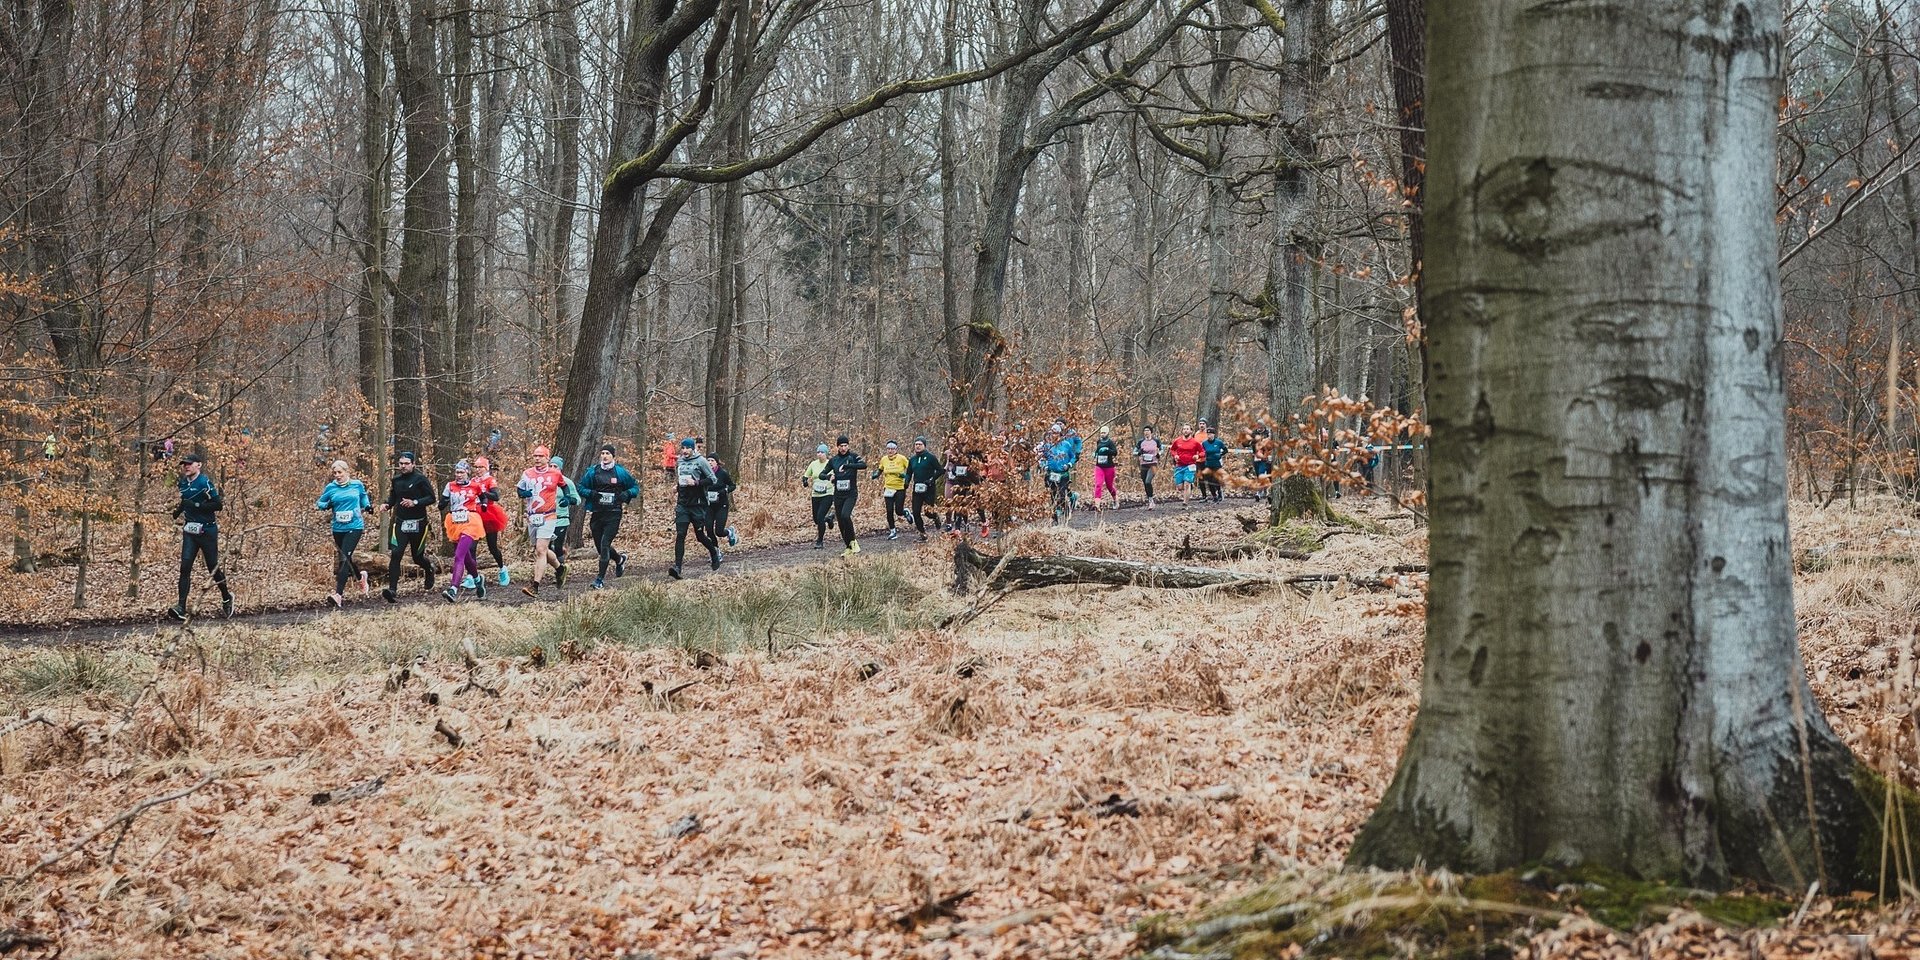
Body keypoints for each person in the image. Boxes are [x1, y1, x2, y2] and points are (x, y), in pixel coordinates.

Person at [168, 454, 233, 620]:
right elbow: (185, 500)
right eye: (184, 464)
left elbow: (218, 505)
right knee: (185, 566)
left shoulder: (204, 483)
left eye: (189, 464)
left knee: (212, 567)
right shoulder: (182, 483)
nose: (186, 467)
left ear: (199, 465)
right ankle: (181, 607)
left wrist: (197, 505)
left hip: (207, 530)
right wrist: (178, 510)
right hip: (190, 530)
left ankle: (226, 596)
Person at [378, 451, 438, 604]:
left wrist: (415, 502)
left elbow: (431, 498)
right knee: (396, 554)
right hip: (401, 523)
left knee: (417, 557)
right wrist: (387, 504)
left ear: (413, 464)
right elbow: (394, 497)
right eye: (401, 464)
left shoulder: (420, 479)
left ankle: (429, 568)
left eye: (406, 464)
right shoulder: (396, 480)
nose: (403, 466)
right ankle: (392, 590)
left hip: (418, 523)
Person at [578, 444, 639, 589]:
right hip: (598, 514)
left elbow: (635, 487)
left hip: (614, 514)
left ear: (613, 456)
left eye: (607, 453)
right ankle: (619, 559)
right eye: (602, 453)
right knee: (600, 548)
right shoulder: (593, 472)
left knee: (605, 544)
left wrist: (627, 494)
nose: (604, 456)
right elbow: (581, 487)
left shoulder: (620, 472)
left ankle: (599, 580)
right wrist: (591, 494)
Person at [315, 459, 373, 609]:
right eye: (334, 473)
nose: (337, 475)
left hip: (355, 526)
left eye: (340, 472)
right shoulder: (331, 487)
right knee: (345, 557)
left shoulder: (356, 484)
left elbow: (363, 496)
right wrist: (327, 505)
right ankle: (361, 577)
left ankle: (338, 595)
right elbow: (320, 503)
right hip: (338, 528)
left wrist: (367, 506)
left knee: (344, 559)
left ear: (347, 472)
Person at [516, 445, 568, 596]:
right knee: (541, 550)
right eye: (535, 456)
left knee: (540, 550)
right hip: (533, 516)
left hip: (549, 515)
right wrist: (523, 493)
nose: (537, 459)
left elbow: (564, 487)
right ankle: (560, 568)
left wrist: (567, 497)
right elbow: (519, 490)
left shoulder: (555, 473)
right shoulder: (527, 474)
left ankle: (535, 586)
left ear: (547, 458)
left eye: (540, 456)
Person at [669, 437, 722, 578]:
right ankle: (677, 568)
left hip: (698, 504)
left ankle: (713, 552)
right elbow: (681, 479)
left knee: (700, 536)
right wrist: (677, 487)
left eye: (688, 448)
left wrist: (696, 482)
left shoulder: (701, 461)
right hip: (683, 504)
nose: (685, 451)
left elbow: (713, 479)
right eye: (683, 448)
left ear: (693, 448)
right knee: (680, 534)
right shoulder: (679, 461)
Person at [439, 460, 489, 602]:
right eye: (457, 472)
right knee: (466, 557)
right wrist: (442, 503)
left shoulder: (475, 485)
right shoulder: (450, 486)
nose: (459, 475)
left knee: (459, 555)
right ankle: (478, 580)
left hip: (470, 521)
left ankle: (453, 589)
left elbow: (483, 497)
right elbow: (443, 501)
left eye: (461, 472)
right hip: (455, 522)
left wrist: (484, 504)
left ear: (467, 473)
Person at [470, 456, 511, 586]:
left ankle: (502, 569)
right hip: (474, 515)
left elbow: (496, 496)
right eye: (476, 467)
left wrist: (482, 493)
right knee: (472, 547)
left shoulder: (490, 480)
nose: (478, 470)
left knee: (492, 547)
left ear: (486, 468)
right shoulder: (472, 480)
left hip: (488, 514)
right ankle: (472, 576)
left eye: (480, 467)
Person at [827, 435, 867, 555]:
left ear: (848, 446)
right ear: (837, 447)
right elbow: (822, 474)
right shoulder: (833, 460)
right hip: (838, 495)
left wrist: (848, 466)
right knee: (840, 522)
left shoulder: (853, 456)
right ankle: (848, 547)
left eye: (845, 445)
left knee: (845, 515)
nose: (843, 448)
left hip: (851, 494)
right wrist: (829, 476)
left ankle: (853, 541)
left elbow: (864, 465)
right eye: (841, 446)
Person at [1040, 422, 1080, 523]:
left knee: (1062, 494)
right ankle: (1055, 519)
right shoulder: (1048, 446)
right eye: (1052, 433)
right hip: (1052, 474)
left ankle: (1066, 509)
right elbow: (1042, 457)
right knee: (1053, 496)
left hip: (1063, 474)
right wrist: (1044, 465)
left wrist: (1069, 465)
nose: (1053, 435)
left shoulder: (1066, 445)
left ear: (1059, 434)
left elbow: (1073, 457)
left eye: (1055, 433)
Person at [906, 436, 943, 541]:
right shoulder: (912, 459)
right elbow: (909, 473)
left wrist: (932, 479)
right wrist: (906, 482)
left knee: (928, 512)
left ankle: (935, 517)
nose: (917, 446)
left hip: (929, 488)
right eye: (916, 444)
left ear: (924, 446)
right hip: (917, 489)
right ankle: (922, 533)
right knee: (916, 512)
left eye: (920, 444)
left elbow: (940, 470)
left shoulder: (931, 457)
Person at [874, 440, 910, 540]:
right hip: (888, 487)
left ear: (896, 449)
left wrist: (905, 477)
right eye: (888, 449)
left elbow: (910, 469)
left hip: (899, 487)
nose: (890, 451)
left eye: (892, 449)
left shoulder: (902, 458)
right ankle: (893, 531)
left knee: (898, 511)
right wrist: (876, 474)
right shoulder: (884, 459)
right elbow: (880, 469)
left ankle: (905, 512)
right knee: (889, 510)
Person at [549, 455, 581, 560]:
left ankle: (561, 568)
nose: (553, 468)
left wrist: (568, 500)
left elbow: (577, 500)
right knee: (546, 547)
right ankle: (552, 567)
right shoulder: (545, 481)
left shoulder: (567, 482)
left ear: (560, 469)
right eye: (551, 466)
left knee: (558, 547)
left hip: (561, 518)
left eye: (556, 466)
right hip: (547, 518)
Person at [803, 443, 833, 548]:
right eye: (818, 452)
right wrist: (805, 480)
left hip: (828, 493)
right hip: (815, 494)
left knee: (820, 517)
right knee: (816, 519)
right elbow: (806, 475)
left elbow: (836, 476)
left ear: (826, 454)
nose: (819, 454)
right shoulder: (813, 464)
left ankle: (820, 541)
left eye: (822, 452)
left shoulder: (830, 463)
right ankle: (828, 519)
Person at [708, 454, 738, 547]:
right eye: (708, 460)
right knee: (709, 531)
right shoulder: (704, 473)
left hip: (721, 505)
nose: (710, 463)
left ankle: (729, 532)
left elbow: (732, 486)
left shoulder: (723, 473)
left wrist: (724, 491)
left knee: (719, 532)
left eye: (712, 460)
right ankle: (716, 553)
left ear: (717, 462)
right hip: (708, 506)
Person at [1169, 425, 1204, 503]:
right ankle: (1189, 486)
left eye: (1187, 429)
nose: (1185, 431)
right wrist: (1175, 455)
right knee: (1180, 487)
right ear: (1182, 431)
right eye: (1184, 429)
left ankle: (1185, 502)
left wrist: (1198, 456)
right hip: (1179, 465)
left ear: (1191, 431)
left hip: (1190, 465)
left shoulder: (1195, 442)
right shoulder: (1177, 441)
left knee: (1186, 484)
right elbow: (1172, 450)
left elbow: (1203, 452)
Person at [1091, 426, 1121, 508]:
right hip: (1099, 466)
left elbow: (1115, 452)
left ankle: (1115, 500)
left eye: (1104, 433)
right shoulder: (1099, 441)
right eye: (1101, 433)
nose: (1102, 434)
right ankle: (1097, 505)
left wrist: (1107, 450)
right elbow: (1097, 450)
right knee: (1098, 484)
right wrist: (1095, 454)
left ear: (1107, 433)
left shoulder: (1110, 442)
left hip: (1109, 467)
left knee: (1109, 486)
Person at [1199, 429, 1228, 502]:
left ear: (1214, 435)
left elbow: (1225, 450)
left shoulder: (1218, 442)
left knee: (1215, 480)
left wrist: (1220, 454)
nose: (1209, 436)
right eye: (1208, 434)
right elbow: (1202, 451)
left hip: (1216, 464)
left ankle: (1219, 492)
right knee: (1209, 481)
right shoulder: (1204, 443)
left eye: (1211, 434)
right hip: (1208, 463)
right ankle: (1214, 496)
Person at [1136, 426, 1162, 508]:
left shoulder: (1156, 441)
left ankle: (1151, 501)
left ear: (1151, 432)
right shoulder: (1141, 442)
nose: (1146, 432)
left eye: (1148, 431)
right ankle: (1150, 499)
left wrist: (1159, 454)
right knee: (1145, 483)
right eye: (1145, 431)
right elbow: (1134, 451)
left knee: (1148, 481)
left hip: (1153, 464)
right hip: (1143, 464)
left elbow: (1162, 449)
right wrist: (1139, 452)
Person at [1249, 425, 1274, 501]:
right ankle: (1260, 493)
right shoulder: (1257, 437)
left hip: (1271, 461)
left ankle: (1267, 492)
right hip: (1261, 460)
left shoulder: (1274, 440)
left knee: (1270, 478)